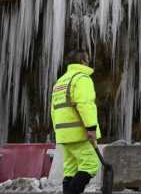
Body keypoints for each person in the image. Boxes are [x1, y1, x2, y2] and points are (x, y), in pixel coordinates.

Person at [50, 50, 101, 194]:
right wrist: (91, 128)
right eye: (88, 59)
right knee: (90, 165)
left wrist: (58, 131)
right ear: (83, 61)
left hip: (63, 133)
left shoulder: (60, 82)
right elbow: (85, 105)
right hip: (79, 132)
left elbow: (53, 110)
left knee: (70, 169)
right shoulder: (82, 79)